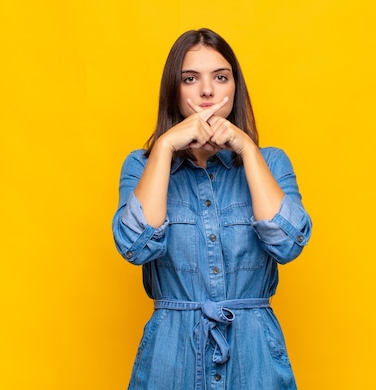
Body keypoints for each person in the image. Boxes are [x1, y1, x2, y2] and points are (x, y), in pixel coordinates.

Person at [112, 28, 312, 390]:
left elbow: (287, 243)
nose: (207, 91)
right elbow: (137, 246)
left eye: (220, 77)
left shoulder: (271, 162)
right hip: (171, 357)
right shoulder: (142, 165)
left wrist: (247, 149)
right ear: (175, 89)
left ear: (234, 87)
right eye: (191, 79)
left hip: (255, 357)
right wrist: (165, 146)